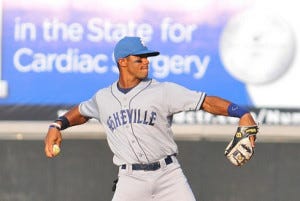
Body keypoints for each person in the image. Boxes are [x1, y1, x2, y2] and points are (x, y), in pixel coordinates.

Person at [44, 36, 257, 201]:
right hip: (130, 179)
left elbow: (206, 102)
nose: (146, 62)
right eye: (139, 58)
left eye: (147, 57)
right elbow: (81, 112)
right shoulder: (104, 98)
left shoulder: (163, 91)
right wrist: (57, 125)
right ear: (122, 62)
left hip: (169, 175)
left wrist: (242, 113)